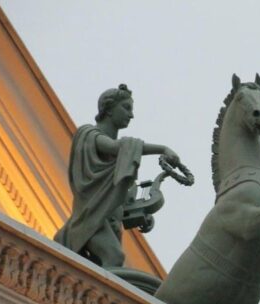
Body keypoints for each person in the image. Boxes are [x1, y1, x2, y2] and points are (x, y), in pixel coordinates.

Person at [54, 84, 182, 267]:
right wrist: (162, 148)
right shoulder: (88, 134)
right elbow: (115, 147)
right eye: (126, 108)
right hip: (93, 220)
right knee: (114, 258)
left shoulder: (117, 162)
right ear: (109, 109)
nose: (131, 115)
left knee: (108, 263)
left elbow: (117, 199)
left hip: (109, 222)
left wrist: (140, 214)